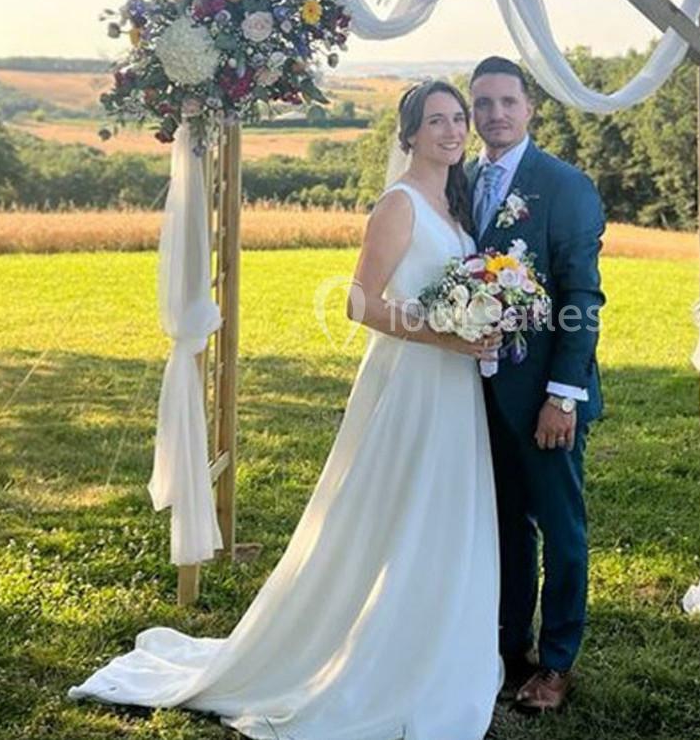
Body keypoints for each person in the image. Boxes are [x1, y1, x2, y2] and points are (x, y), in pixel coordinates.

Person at [69, 80, 503, 740]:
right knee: (393, 509)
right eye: (436, 120)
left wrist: (480, 323)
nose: (452, 130)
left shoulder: (454, 205)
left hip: (453, 383)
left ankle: (432, 641)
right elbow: (360, 302)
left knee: (442, 510)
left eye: (458, 119)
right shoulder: (400, 204)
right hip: (413, 378)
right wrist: (445, 333)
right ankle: (367, 653)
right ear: (408, 133)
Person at [466, 56, 606, 713]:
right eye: (483, 103)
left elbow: (582, 297)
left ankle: (556, 663)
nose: (494, 114)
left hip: (547, 398)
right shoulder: (464, 179)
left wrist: (562, 395)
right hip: (482, 394)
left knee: (561, 528)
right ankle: (509, 648)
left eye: (506, 102)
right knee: (506, 528)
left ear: (530, 109)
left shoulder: (564, 185)